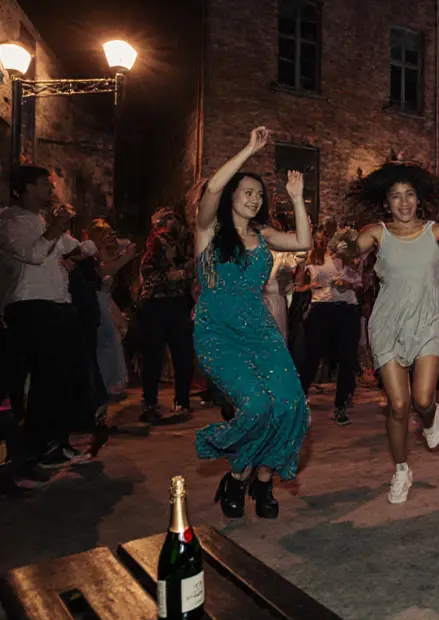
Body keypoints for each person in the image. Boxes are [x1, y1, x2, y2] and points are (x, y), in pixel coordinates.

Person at [193, 127, 313, 520]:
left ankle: (263, 478)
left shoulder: (264, 235)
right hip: (218, 332)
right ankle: (237, 474)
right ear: (231, 197)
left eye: (259, 194)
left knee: (291, 401)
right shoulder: (207, 231)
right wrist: (248, 149)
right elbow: (212, 189)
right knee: (257, 405)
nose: (254, 198)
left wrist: (296, 199)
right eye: (247, 191)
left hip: (260, 330)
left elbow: (302, 242)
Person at [349, 160, 439, 504]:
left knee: (421, 399)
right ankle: (401, 470)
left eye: (409, 195)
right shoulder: (377, 232)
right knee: (399, 404)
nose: (403, 202)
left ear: (420, 199)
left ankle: (432, 414)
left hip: (429, 319)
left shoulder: (435, 231)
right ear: (386, 202)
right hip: (388, 322)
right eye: (395, 196)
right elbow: (351, 247)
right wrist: (343, 242)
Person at [0, 165, 95, 471]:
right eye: (45, 184)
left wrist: (73, 253)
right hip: (31, 306)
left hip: (57, 306)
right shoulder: (10, 221)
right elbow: (34, 253)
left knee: (67, 377)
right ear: (25, 188)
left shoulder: (42, 221)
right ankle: (38, 448)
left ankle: (57, 441)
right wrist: (55, 229)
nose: (50, 191)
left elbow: (81, 248)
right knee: (46, 379)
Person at [295, 228, 363, 426]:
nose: (324, 240)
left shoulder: (348, 258)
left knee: (347, 358)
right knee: (312, 357)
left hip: (347, 308)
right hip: (321, 308)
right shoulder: (313, 257)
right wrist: (310, 285)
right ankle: (299, 400)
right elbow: (298, 284)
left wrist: (347, 284)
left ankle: (340, 405)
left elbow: (360, 283)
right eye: (319, 237)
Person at [136, 208, 196, 423]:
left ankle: (181, 402)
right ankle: (150, 402)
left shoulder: (187, 242)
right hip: (156, 302)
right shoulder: (158, 241)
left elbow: (191, 271)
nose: (171, 223)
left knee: (182, 355)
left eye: (174, 219)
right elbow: (151, 271)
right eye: (167, 219)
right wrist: (180, 273)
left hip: (178, 302)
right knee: (154, 355)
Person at [85, 219, 136, 398]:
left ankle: (108, 386)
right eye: (105, 234)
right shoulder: (90, 253)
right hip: (96, 301)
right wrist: (125, 258)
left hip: (106, 301)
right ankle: (103, 387)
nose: (109, 237)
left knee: (112, 342)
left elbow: (127, 244)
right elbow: (104, 271)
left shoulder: (109, 250)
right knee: (105, 343)